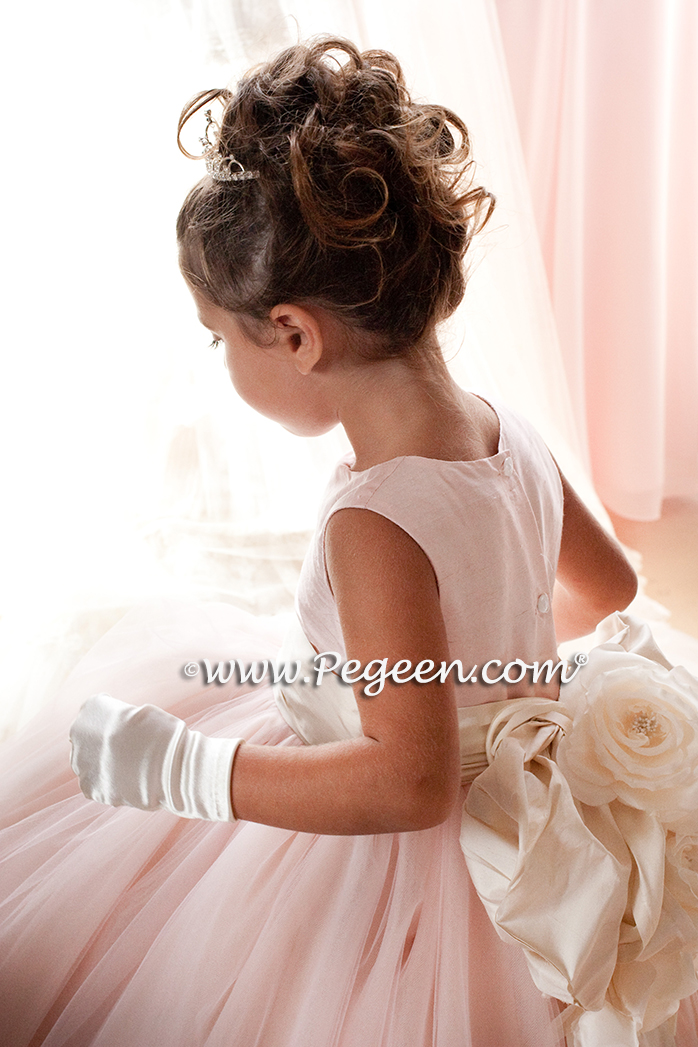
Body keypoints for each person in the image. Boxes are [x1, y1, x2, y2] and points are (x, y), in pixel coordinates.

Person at [1, 36, 696, 1047]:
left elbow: (405, 782)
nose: (218, 359)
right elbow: (607, 588)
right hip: (516, 829)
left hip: (403, 861)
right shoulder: (510, 432)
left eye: (218, 335)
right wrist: (506, 697)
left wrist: (189, 772)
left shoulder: (373, 519)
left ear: (292, 334)